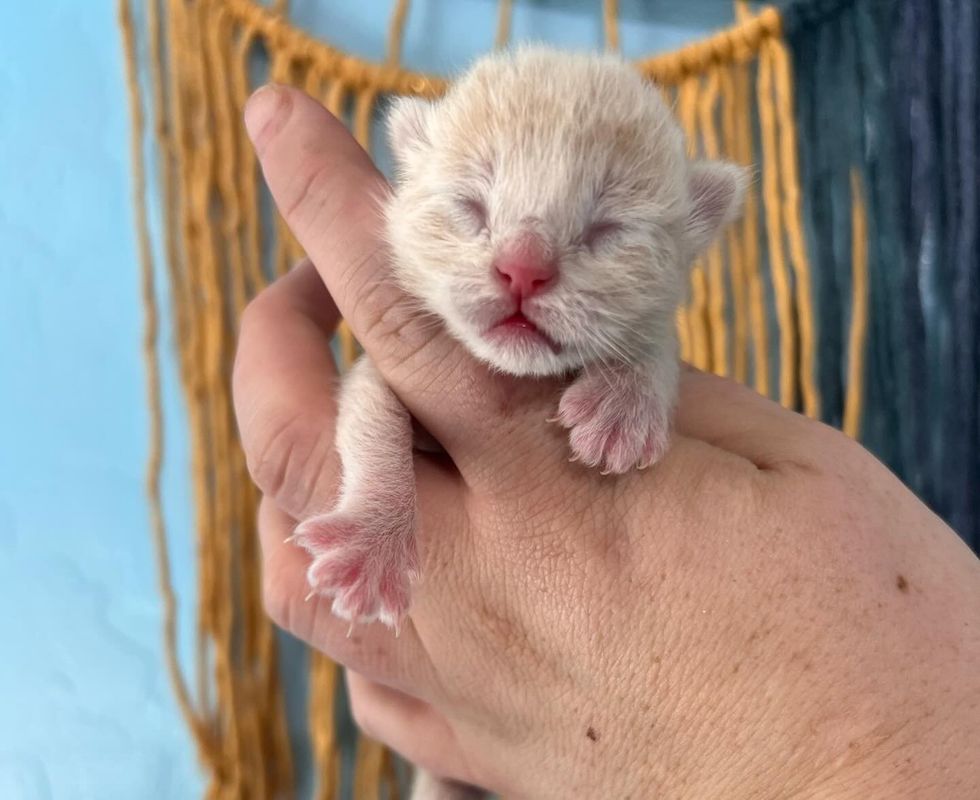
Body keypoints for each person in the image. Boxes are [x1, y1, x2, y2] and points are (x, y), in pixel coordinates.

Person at [232, 85, 980, 798]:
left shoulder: (638, 340)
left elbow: (652, 353)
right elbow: (374, 396)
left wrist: (637, 383)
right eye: (469, 208)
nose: (522, 265)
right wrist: (380, 512)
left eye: (607, 232)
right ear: (409, 165)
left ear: (699, 221)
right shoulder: (421, 314)